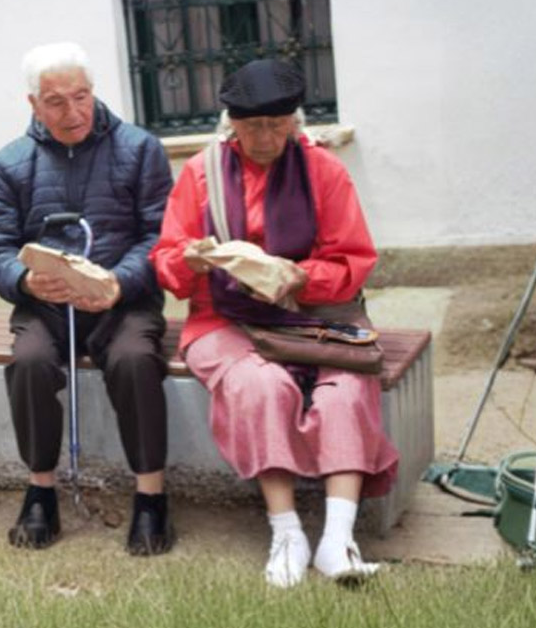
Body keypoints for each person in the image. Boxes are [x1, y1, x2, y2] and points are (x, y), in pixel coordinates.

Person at [150, 59, 399, 586]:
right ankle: (286, 532)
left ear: (296, 122)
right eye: (251, 127)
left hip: (314, 315)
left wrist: (295, 277)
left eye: (277, 125)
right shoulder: (201, 173)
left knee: (346, 387)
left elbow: (354, 261)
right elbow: (167, 263)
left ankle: (338, 539)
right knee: (258, 385)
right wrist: (190, 260)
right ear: (230, 125)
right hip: (224, 317)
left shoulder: (323, 171)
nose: (265, 138)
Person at [0, 42, 175, 555]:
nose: (73, 112)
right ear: (33, 105)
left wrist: (118, 284)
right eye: (57, 102)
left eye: (82, 97)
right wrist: (25, 284)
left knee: (135, 359)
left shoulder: (139, 149)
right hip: (46, 305)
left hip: (122, 300)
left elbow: (161, 236)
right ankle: (40, 489)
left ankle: (151, 496)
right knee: (28, 361)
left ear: (94, 92)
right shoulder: (8, 163)